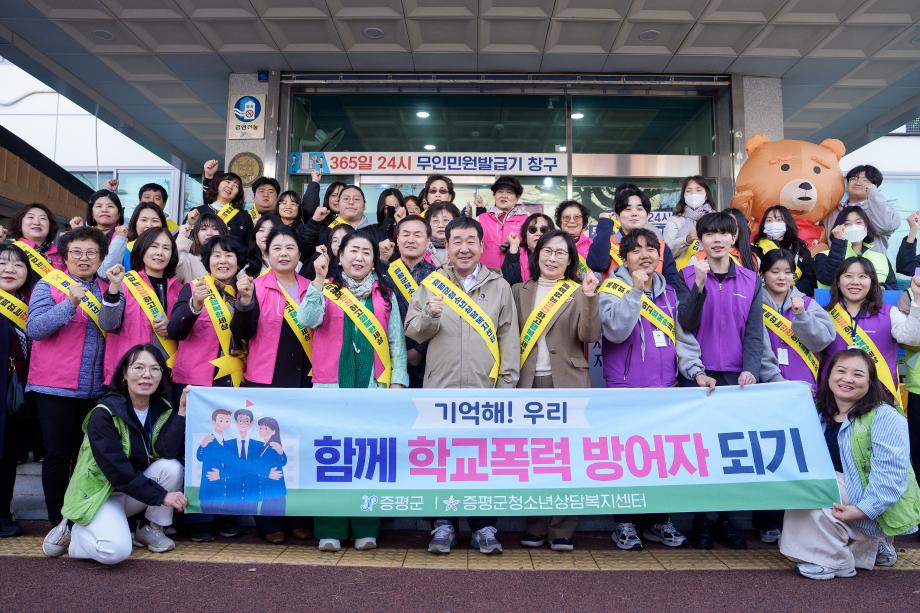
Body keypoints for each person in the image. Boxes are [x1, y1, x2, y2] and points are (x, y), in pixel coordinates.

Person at [406, 216, 520, 555]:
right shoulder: (432, 283)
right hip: (440, 390)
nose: (464, 248)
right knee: (441, 459)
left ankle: (484, 526)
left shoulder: (499, 286)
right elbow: (413, 329)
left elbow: (509, 339)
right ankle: (443, 525)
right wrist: (430, 316)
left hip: (485, 390)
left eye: (471, 241)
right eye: (457, 241)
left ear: (482, 246)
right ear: (447, 246)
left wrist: (505, 388)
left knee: (483, 460)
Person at [298, 231, 408, 552]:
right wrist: (318, 281)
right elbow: (306, 319)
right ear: (340, 256)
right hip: (330, 386)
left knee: (367, 458)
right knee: (331, 458)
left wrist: (397, 381)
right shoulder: (325, 288)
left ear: (374, 260)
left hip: (374, 386)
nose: (359, 258)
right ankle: (329, 529)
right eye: (353, 251)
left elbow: (396, 341)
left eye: (366, 252)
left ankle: (365, 527)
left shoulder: (384, 294)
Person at [780, 348, 919, 580]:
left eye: (857, 374)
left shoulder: (885, 417)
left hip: (874, 499)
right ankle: (871, 546)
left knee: (819, 487)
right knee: (807, 484)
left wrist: (864, 510)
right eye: (841, 371)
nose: (847, 379)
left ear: (870, 381)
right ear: (829, 376)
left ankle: (835, 562)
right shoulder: (818, 412)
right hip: (843, 489)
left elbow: (892, 476)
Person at [41, 345, 187, 564]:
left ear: (162, 375)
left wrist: (181, 413)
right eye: (139, 367)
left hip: (132, 493)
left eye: (155, 369)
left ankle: (151, 529)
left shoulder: (161, 407)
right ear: (124, 374)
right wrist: (162, 496)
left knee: (172, 467)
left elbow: (166, 451)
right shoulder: (104, 413)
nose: (147, 374)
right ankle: (75, 529)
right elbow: (117, 471)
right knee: (115, 552)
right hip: (101, 495)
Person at [598, 228, 696, 551]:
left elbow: (683, 340)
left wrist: (696, 372)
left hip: (665, 389)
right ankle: (624, 523)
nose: (644, 255)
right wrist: (635, 294)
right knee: (626, 459)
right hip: (626, 390)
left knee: (661, 459)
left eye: (651, 249)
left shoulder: (670, 293)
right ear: (624, 257)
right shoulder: (612, 287)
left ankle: (658, 520)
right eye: (636, 250)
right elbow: (614, 331)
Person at [678, 210, 764, 549]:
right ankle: (700, 520)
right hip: (697, 377)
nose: (717, 240)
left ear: (734, 238)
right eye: (710, 234)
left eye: (724, 233)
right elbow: (685, 323)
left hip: (735, 378)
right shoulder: (686, 275)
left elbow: (755, 332)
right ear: (700, 240)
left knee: (730, 452)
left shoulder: (751, 279)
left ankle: (726, 520)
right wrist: (699, 285)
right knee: (699, 452)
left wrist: (751, 368)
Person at [513, 229, 600, 552]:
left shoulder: (577, 291)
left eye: (560, 253)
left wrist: (589, 298)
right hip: (527, 384)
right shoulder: (518, 291)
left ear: (570, 260)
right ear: (537, 255)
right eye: (547, 251)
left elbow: (589, 335)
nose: (552, 258)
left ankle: (563, 528)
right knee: (532, 457)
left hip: (566, 382)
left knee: (566, 457)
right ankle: (535, 525)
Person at [26, 227, 109, 528]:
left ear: (101, 257)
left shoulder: (108, 288)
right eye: (76, 252)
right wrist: (69, 303)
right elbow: (35, 329)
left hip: (96, 389)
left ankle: (78, 517)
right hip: (54, 388)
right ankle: (57, 523)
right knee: (57, 455)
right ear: (64, 256)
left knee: (85, 457)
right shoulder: (48, 285)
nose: (83, 258)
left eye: (91, 253)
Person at [756, 248, 836, 543]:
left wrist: (801, 316)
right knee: (769, 458)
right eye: (775, 271)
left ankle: (801, 523)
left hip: (805, 396)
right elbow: (755, 346)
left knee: (800, 459)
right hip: (768, 392)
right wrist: (777, 384)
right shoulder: (754, 303)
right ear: (763, 274)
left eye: (788, 272)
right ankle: (767, 521)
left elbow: (824, 339)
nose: (782, 277)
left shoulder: (808, 303)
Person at [821, 257, 920, 399]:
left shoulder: (890, 313)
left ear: (872, 282)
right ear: (838, 281)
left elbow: (913, 338)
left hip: (878, 398)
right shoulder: (824, 315)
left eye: (862, 276)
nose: (855, 282)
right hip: (834, 397)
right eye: (848, 276)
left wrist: (917, 299)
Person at [232, 225, 313, 389]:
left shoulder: (312, 288)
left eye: (290, 248)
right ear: (267, 254)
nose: (283, 253)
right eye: (277, 248)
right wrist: (245, 301)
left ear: (299, 254)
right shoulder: (254, 287)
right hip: (265, 379)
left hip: (305, 376)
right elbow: (242, 333)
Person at [100, 228, 182, 385]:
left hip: (165, 375)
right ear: (142, 249)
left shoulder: (179, 288)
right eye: (154, 246)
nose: (160, 253)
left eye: (166, 248)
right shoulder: (123, 282)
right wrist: (114, 288)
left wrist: (172, 327)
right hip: (127, 375)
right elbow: (108, 323)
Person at [168, 235, 247, 392]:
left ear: (238, 262)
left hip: (235, 379)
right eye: (216, 255)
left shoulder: (246, 292)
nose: (223, 261)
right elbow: (174, 331)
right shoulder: (193, 288)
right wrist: (195, 305)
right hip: (195, 380)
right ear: (208, 261)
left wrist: (247, 302)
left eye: (229, 255)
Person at [586, 186, 688, 300]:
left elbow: (673, 283)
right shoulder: (606, 242)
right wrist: (604, 224)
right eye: (627, 209)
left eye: (639, 209)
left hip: (653, 308)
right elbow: (597, 264)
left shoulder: (660, 246)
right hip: (616, 306)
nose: (634, 213)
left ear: (647, 214)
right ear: (618, 216)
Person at [0, 245, 35, 537]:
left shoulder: (28, 304)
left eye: (18, 265)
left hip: (15, 396)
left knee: (8, 456)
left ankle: (3, 513)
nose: (10, 269)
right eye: (2, 263)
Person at [385, 215, 436, 388]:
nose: (411, 240)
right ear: (397, 240)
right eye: (405, 234)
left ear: (428, 241)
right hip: (388, 358)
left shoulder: (438, 276)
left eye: (417, 235)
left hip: (427, 362)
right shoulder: (384, 274)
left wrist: (419, 350)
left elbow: (442, 318)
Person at [815, 206, 897, 289]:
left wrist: (882, 288)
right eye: (847, 224)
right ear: (838, 228)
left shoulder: (882, 259)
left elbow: (893, 290)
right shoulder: (823, 256)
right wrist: (839, 242)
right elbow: (828, 279)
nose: (854, 227)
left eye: (858, 222)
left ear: (867, 227)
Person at [822, 164, 899, 253]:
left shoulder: (886, 209)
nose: (858, 183)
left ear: (874, 185)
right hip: (837, 260)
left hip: (871, 261)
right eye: (853, 179)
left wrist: (873, 193)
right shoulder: (832, 209)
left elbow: (884, 226)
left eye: (865, 180)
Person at [751, 205, 817, 297]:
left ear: (787, 223)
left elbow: (810, 281)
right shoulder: (754, 249)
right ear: (764, 225)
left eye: (779, 220)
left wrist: (789, 294)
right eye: (769, 220)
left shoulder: (800, 249)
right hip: (764, 299)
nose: (773, 223)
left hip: (795, 299)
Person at [477, 175, 529, 270]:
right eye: (500, 191)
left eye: (509, 192)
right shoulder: (480, 219)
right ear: (494, 195)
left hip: (517, 273)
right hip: (486, 274)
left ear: (517, 197)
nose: (504, 196)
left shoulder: (527, 221)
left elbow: (532, 247)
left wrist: (515, 247)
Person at [190, 171, 254, 244]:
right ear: (218, 184)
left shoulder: (244, 217)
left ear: (237, 195)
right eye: (227, 181)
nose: (230, 186)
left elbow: (250, 246)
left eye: (236, 186)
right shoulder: (198, 211)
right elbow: (185, 240)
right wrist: (189, 224)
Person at [663, 175, 714, 261]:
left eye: (698, 190)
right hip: (682, 268)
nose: (693, 194)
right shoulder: (675, 220)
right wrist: (686, 240)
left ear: (706, 195)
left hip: (710, 267)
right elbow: (667, 251)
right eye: (689, 191)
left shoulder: (715, 218)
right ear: (684, 196)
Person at [6, 203, 64, 275]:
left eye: (43, 218)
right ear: (19, 223)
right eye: (30, 217)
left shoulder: (61, 255)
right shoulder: (9, 251)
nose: (37, 222)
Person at [108, 202, 168, 270]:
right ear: (135, 223)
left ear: (162, 224)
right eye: (144, 220)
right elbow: (106, 272)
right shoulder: (124, 248)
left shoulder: (169, 248)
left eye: (155, 221)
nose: (149, 225)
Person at [175, 210, 229, 283]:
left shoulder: (232, 259)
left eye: (215, 228)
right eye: (203, 229)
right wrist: (188, 225)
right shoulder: (188, 259)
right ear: (196, 234)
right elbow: (174, 274)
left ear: (223, 232)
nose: (209, 233)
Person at [501, 213, 554, 286]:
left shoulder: (559, 255)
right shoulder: (514, 253)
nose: (538, 233)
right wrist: (513, 247)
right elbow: (509, 284)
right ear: (525, 235)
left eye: (544, 230)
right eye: (533, 230)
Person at [255, 417, 287, 517]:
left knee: (272, 516)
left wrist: (281, 452)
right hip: (268, 488)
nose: (262, 430)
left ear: (274, 431)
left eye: (266, 428)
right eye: (260, 428)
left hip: (274, 489)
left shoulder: (274, 446)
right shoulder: (263, 446)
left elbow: (281, 462)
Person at [554, 201, 592, 269]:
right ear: (560, 221)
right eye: (566, 217)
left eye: (577, 217)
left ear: (583, 221)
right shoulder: (551, 243)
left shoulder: (592, 245)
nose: (572, 221)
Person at [424, 202, 460, 268]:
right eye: (435, 221)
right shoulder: (421, 249)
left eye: (445, 220)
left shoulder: (462, 249)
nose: (441, 225)